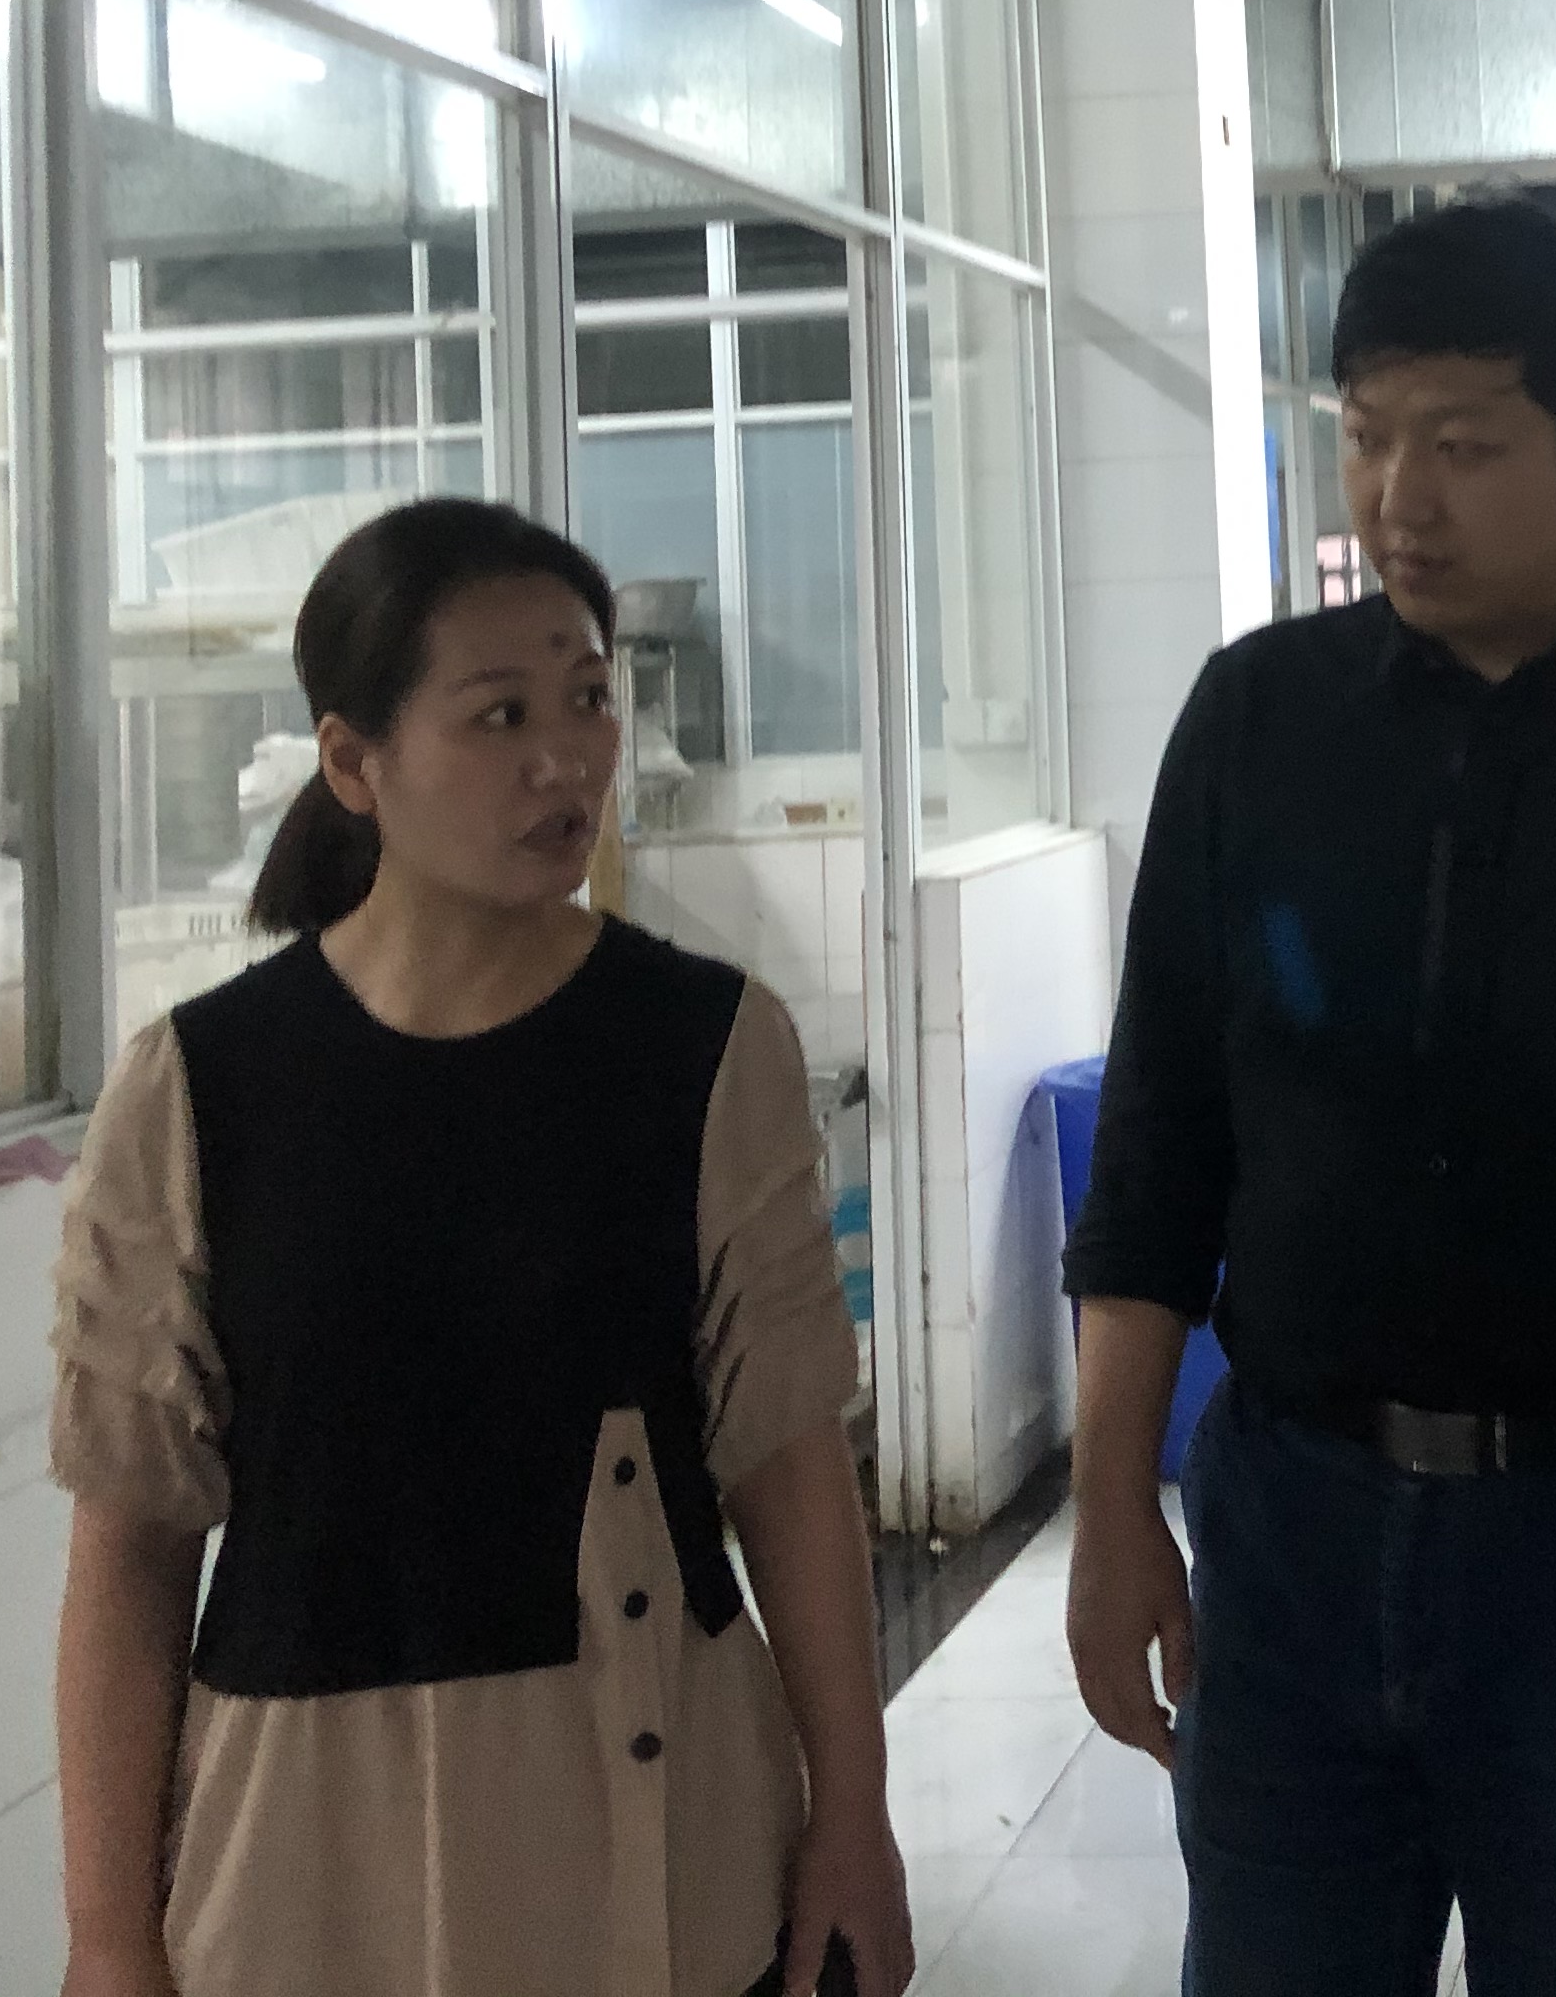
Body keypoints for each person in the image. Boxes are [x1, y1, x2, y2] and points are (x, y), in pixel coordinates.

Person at [1063, 198, 1556, 1996]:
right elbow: (1162, 1132)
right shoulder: (1260, 720)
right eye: (1367, 438)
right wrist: (1117, 1504)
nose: (1397, 500)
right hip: (1292, 1518)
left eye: (1462, 446)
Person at [50, 497, 915, 1997]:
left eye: (589, 699)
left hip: (649, 1814)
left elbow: (787, 1470)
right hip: (304, 1843)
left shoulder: (707, 1048)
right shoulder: (198, 1089)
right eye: (501, 714)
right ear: (354, 763)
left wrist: (854, 1812)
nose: (566, 758)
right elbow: (131, 1550)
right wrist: (109, 1937)